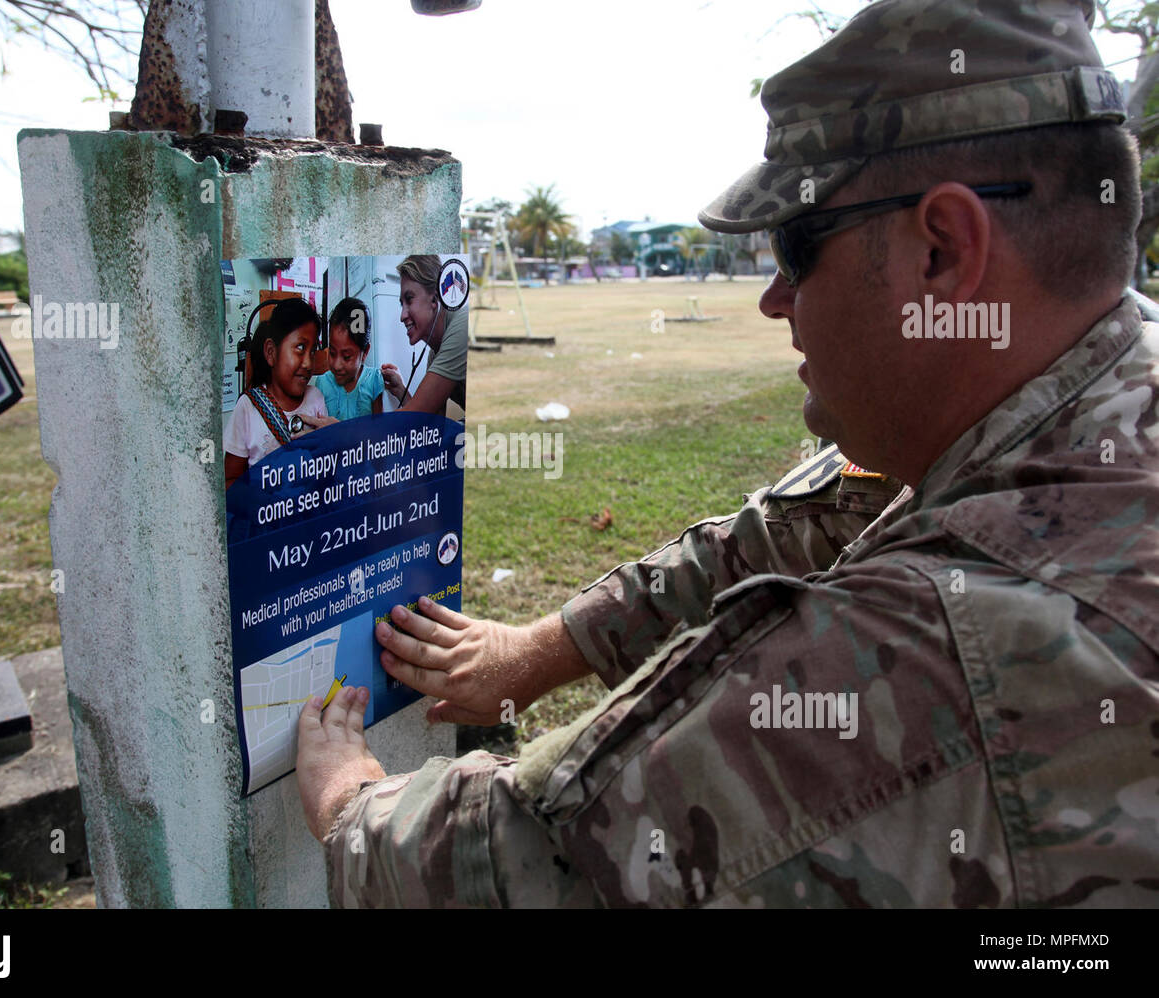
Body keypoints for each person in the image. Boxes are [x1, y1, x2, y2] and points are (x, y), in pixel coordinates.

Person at [296, 0, 1159, 907]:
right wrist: (544, 649)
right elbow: (823, 516)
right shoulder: (1104, 390)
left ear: (943, 253)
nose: (774, 299)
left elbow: (527, 868)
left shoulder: (953, 645)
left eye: (796, 245)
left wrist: (350, 797)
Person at [223, 298, 331, 488]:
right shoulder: (248, 407)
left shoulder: (316, 399)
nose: (307, 363)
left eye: (312, 351)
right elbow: (230, 479)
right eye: (300, 348)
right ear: (271, 352)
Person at [380, 254, 468, 415]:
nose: (402, 316)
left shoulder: (463, 325)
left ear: (435, 299)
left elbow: (416, 415)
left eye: (409, 299)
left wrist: (345, 430)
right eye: (402, 304)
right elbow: (430, 423)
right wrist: (401, 390)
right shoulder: (434, 355)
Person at [312, 297, 385, 420]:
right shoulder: (322, 384)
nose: (336, 365)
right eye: (333, 353)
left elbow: (379, 429)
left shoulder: (374, 380)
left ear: (365, 351)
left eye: (346, 357)